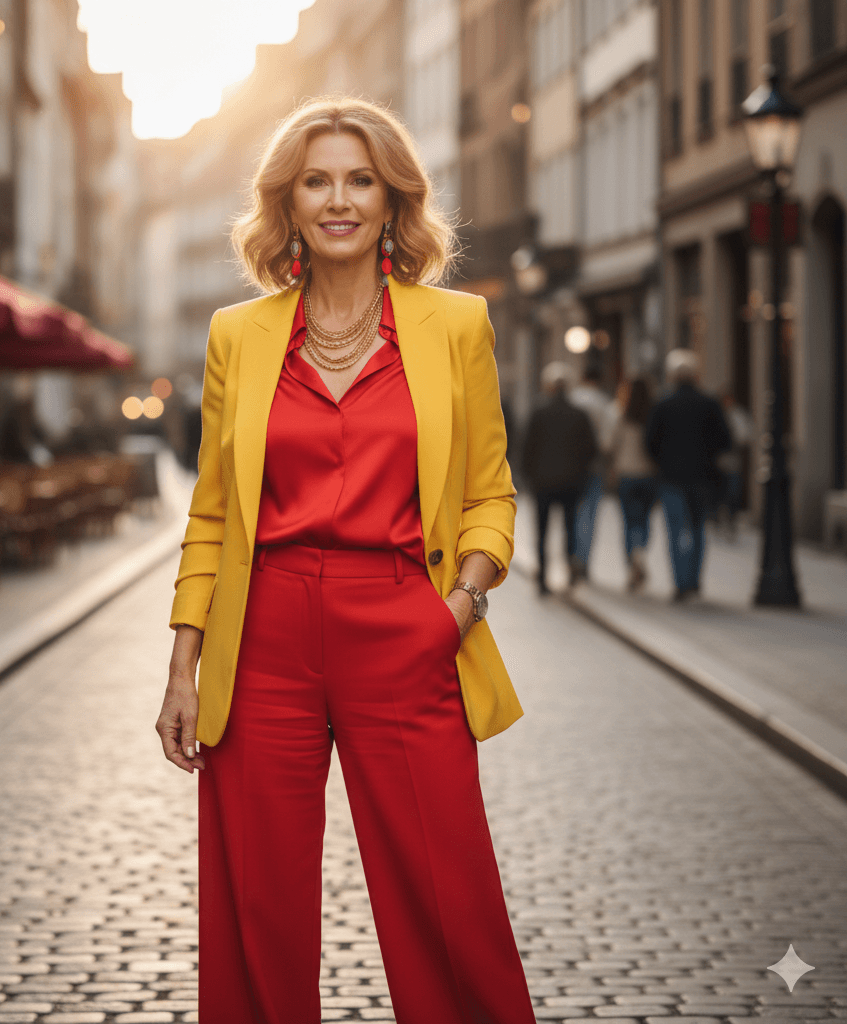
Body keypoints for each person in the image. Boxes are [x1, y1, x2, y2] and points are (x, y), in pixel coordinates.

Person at [155, 97, 537, 1024]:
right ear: (286, 205)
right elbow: (211, 512)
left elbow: (491, 493)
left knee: (449, 898)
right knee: (258, 905)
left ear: (392, 200)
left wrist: (461, 605)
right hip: (265, 639)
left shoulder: (455, 327)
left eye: (359, 180)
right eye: (316, 181)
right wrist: (182, 666)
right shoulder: (235, 338)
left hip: (404, 624)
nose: (339, 199)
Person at [645, 349, 732, 601]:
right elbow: (724, 440)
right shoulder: (709, 403)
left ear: (672, 375)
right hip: (702, 477)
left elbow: (650, 441)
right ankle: (694, 580)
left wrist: (662, 461)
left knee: (675, 531)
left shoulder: (663, 404)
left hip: (671, 478)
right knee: (697, 529)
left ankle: (681, 583)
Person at [520, 362, 598, 595]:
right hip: (571, 483)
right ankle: (570, 574)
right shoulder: (580, 415)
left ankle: (542, 578)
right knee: (570, 529)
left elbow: (527, 448)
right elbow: (590, 450)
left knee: (542, 531)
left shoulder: (538, 413)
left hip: (542, 484)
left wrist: (528, 477)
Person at [604, 376, 657, 591]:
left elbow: (608, 445)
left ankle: (632, 559)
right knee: (644, 519)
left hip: (626, 475)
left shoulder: (620, 415)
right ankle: (641, 550)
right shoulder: (652, 416)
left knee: (628, 521)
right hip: (649, 475)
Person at [568, 362, 611, 581]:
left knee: (572, 513)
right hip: (594, 466)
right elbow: (607, 440)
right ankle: (583, 560)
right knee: (590, 515)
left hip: (572, 467)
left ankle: (572, 555)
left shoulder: (573, 399)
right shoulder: (604, 403)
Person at [716, 388, 754, 540]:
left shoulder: (738, 415)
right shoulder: (717, 414)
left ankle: (730, 520)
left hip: (732, 458)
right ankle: (719, 518)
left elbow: (746, 435)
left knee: (732, 490)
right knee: (721, 490)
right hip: (718, 460)